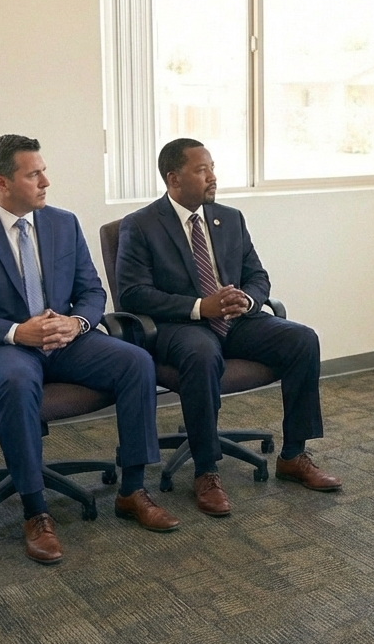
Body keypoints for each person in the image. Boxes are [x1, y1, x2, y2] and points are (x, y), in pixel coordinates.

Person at [0, 134, 176, 564]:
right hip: (1, 346)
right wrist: (15, 332)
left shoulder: (63, 223)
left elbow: (92, 291)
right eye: (34, 173)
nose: (46, 181)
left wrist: (76, 322)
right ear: (1, 182)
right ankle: (35, 509)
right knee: (17, 381)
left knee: (136, 361)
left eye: (43, 169)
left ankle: (133, 488)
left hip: (65, 339)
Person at [114, 138, 341, 518]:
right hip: (181, 325)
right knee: (201, 354)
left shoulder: (229, 218)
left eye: (212, 167)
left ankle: (293, 455)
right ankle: (206, 470)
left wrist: (248, 300)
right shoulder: (140, 226)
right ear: (173, 178)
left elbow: (256, 274)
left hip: (237, 320)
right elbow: (133, 294)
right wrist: (202, 306)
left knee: (302, 339)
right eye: (202, 170)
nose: (212, 177)